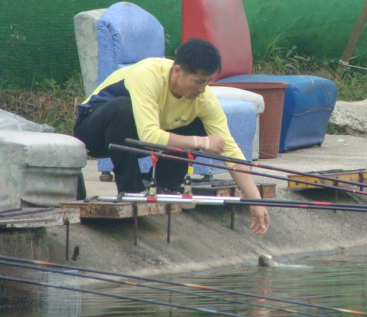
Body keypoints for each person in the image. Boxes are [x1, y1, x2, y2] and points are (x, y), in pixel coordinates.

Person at [74, 38, 270, 234]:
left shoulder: (203, 98)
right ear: (177, 70)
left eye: (208, 82)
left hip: (134, 140)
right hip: (94, 133)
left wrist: (255, 201)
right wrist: (201, 142)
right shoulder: (147, 75)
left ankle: (166, 186)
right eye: (199, 81)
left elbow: (229, 150)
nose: (202, 89)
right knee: (122, 108)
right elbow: (149, 135)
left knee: (199, 124)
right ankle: (131, 190)